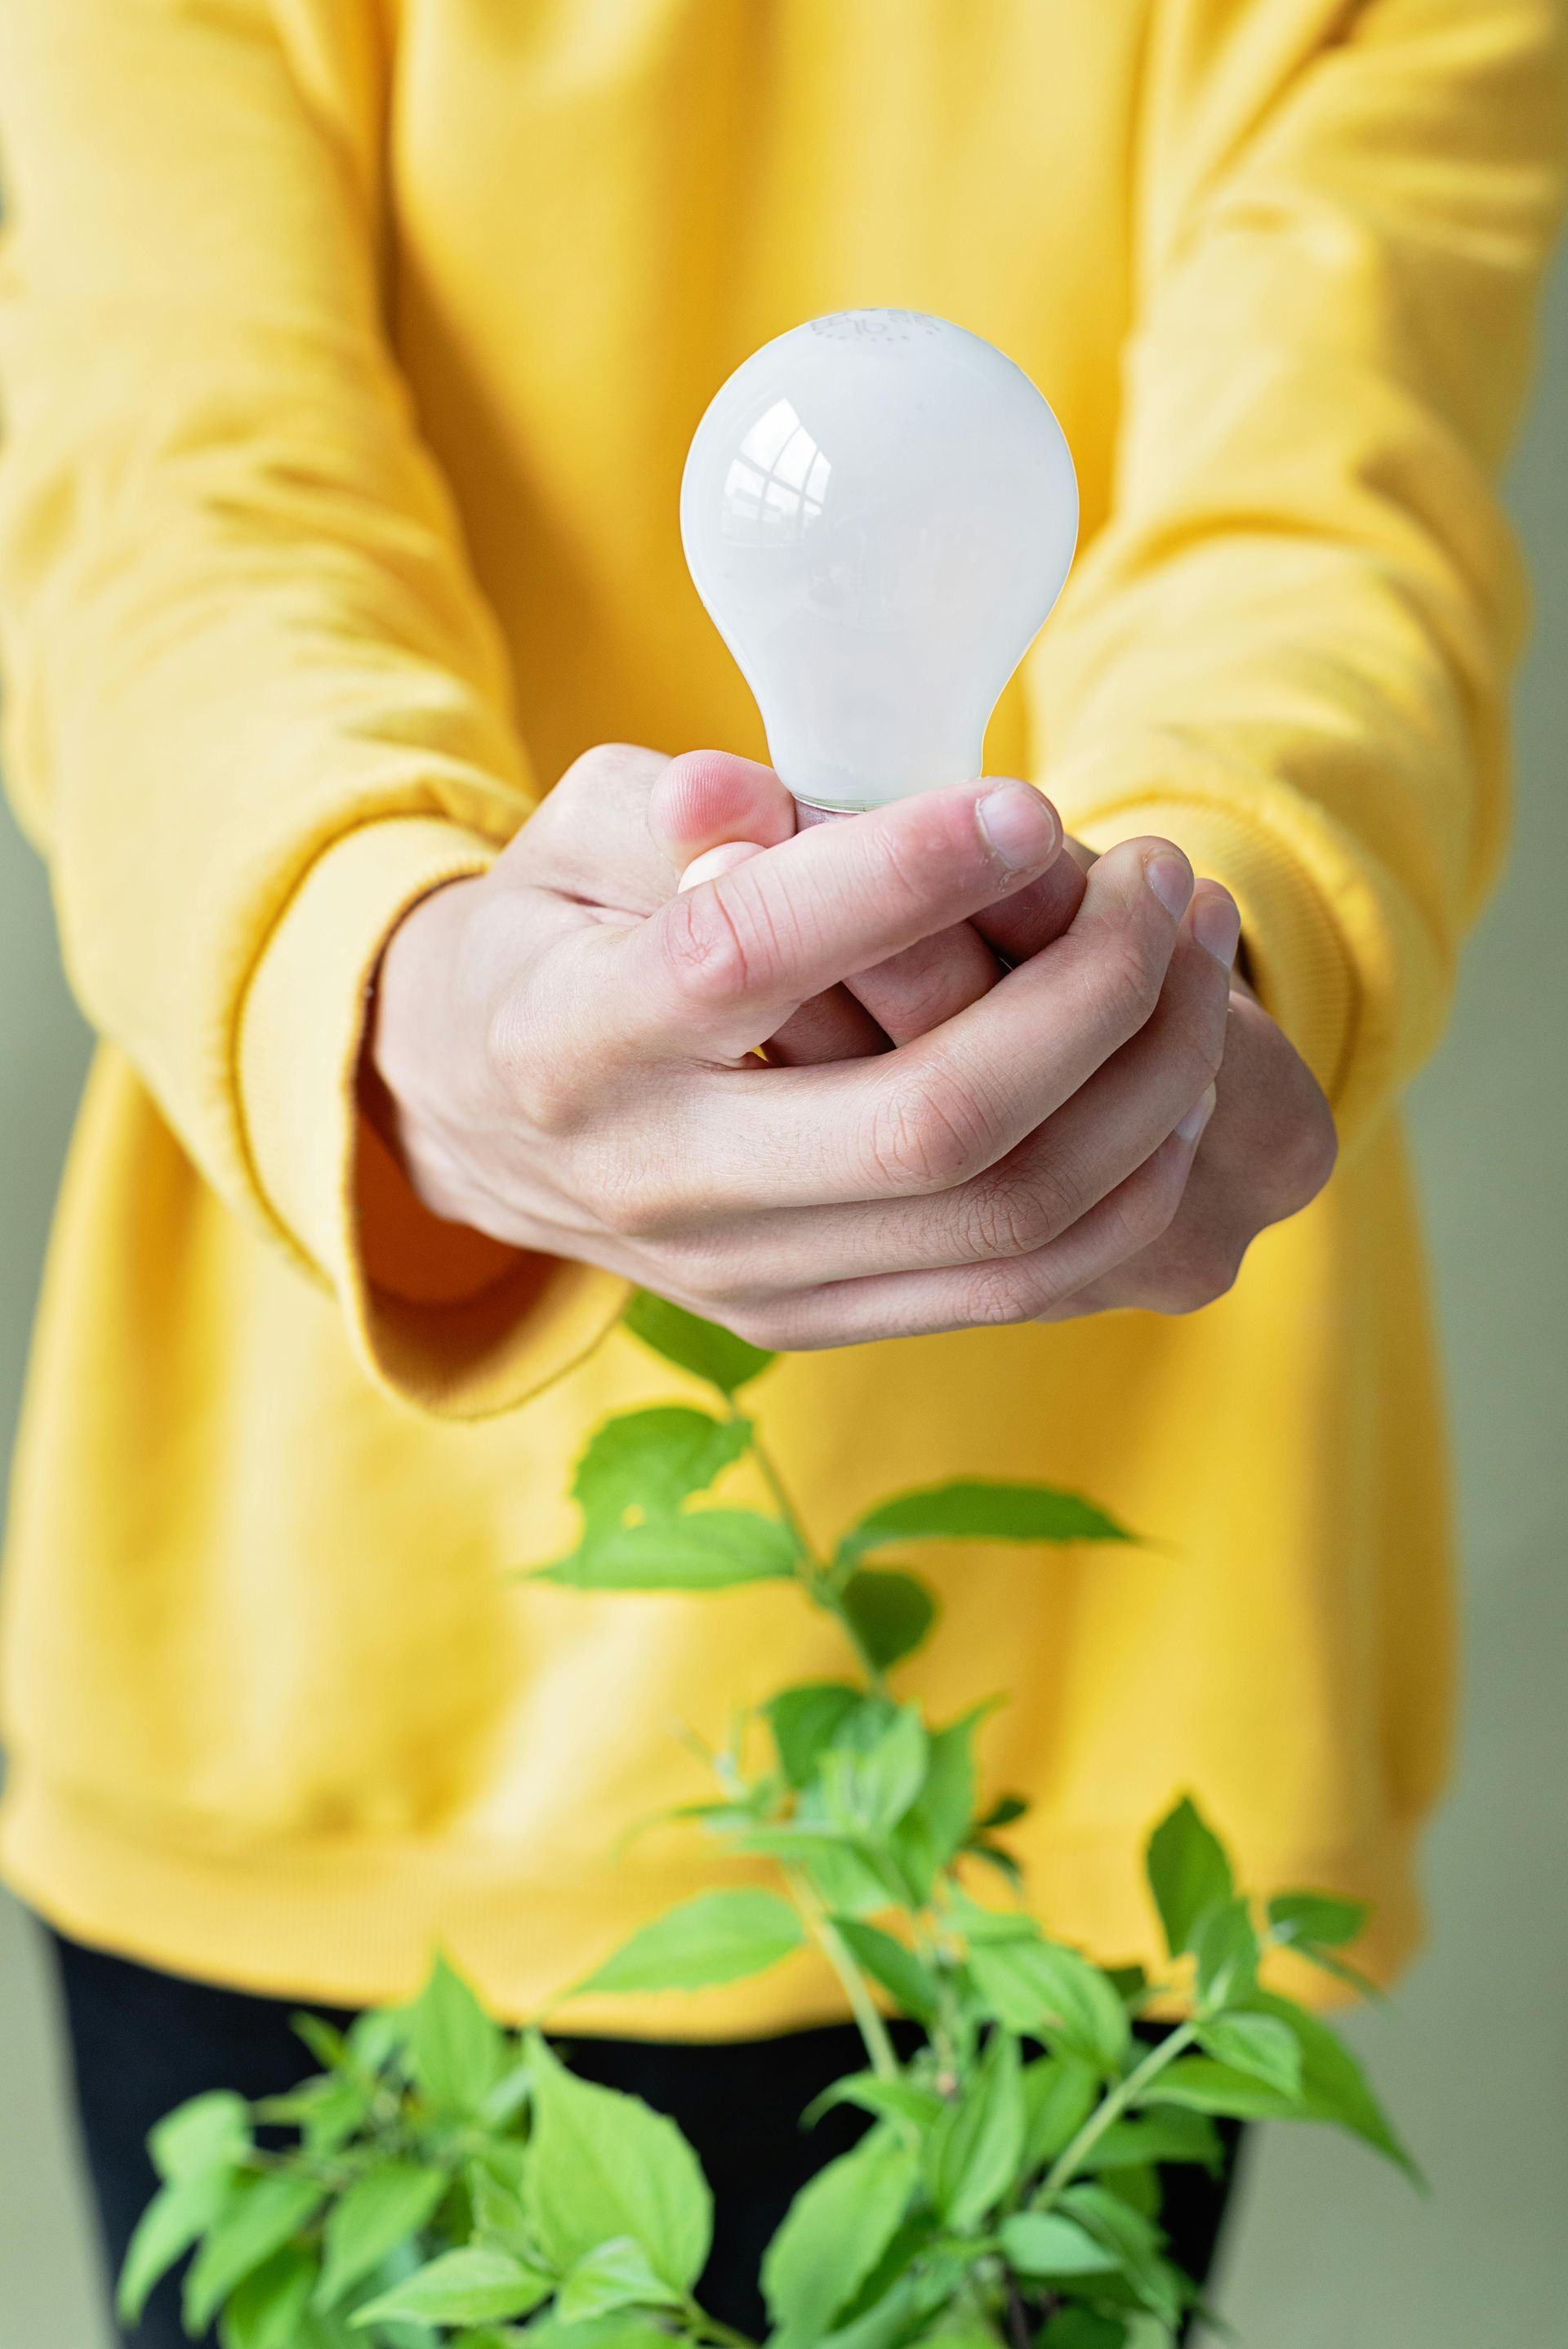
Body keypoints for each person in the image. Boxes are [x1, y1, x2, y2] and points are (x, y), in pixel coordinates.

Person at [0, 2, 1561, 2340]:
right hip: (331, 1672)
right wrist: (405, 979)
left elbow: (1330, 508)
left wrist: (1217, 934)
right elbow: (177, 499)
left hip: (1076, 1746)